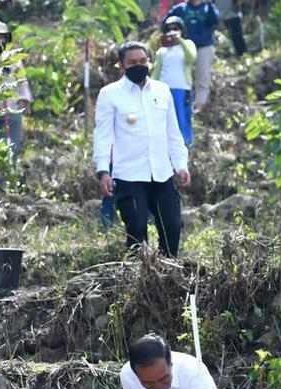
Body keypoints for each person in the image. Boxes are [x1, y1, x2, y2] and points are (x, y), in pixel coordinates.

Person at [93, 41, 190, 257]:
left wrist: (181, 165)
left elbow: (173, 133)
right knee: (136, 231)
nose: (139, 65)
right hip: (129, 176)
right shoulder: (110, 94)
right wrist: (103, 172)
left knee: (172, 227)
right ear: (121, 65)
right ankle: (136, 279)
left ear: (149, 62)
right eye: (132, 62)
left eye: (142, 61)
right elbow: (103, 136)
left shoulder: (162, 90)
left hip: (162, 173)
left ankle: (167, 275)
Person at [0, 20, 33, 164]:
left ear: (6, 39)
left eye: (1, 37)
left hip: (11, 107)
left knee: (13, 145)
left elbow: (21, 80)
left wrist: (24, 98)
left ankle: (12, 173)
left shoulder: (13, 59)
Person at [152, 16, 197, 146]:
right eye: (169, 29)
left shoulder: (188, 44)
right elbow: (156, 71)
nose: (172, 32)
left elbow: (191, 58)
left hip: (182, 88)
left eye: (176, 29)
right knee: (165, 117)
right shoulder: (162, 51)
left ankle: (185, 143)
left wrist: (180, 41)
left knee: (182, 116)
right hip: (164, 89)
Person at [168, 0, 219, 112]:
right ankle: (183, 102)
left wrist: (210, 5)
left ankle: (200, 104)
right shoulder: (180, 8)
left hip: (204, 46)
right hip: (184, 47)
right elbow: (168, 23)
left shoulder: (208, 7)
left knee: (203, 75)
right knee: (183, 75)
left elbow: (215, 21)